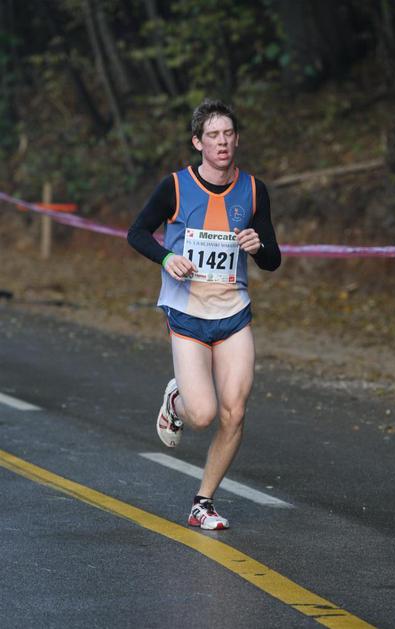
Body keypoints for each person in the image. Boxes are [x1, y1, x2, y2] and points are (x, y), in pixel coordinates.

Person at [127, 99, 281, 530]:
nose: (222, 142)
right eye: (213, 135)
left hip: (233, 313)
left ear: (237, 139)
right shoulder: (175, 186)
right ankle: (176, 400)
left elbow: (273, 259)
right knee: (203, 415)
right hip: (187, 313)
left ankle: (203, 502)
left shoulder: (254, 190)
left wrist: (259, 247)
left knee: (235, 412)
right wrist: (165, 257)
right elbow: (137, 233)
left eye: (228, 134)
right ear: (198, 143)